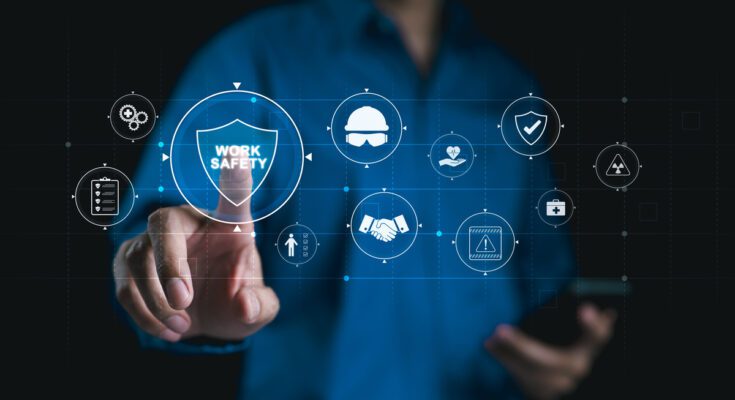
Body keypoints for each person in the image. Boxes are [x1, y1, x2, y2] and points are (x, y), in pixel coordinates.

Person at [112, 0, 617, 398]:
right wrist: (173, 282)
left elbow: (542, 278)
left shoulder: (508, 86)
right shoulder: (252, 60)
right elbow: (170, 234)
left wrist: (557, 359)